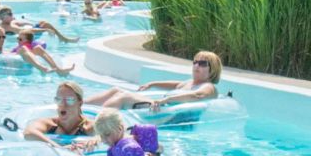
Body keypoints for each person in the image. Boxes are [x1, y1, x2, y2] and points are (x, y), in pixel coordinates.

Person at [84, 51, 221, 113]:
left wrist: (166, 99)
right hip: (163, 107)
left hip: (166, 111)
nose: (196, 66)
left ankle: (99, 120)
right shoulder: (189, 83)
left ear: (212, 69)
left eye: (202, 63)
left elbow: (196, 96)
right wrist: (153, 83)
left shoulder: (208, 86)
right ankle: (82, 106)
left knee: (124, 97)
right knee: (116, 90)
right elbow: (175, 85)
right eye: (195, 62)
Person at [70, 108, 160, 156]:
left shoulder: (126, 147)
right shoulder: (119, 140)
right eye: (101, 136)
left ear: (120, 129)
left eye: (107, 135)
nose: (104, 140)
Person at [23, 82, 95, 141]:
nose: (63, 105)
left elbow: (103, 136)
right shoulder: (49, 124)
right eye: (59, 100)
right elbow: (28, 133)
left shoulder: (89, 127)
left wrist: (95, 140)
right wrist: (58, 147)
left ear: (80, 103)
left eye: (69, 100)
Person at [0, 7, 79, 44]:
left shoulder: (6, 23)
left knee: (42, 22)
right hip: (28, 36)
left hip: (24, 33)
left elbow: (18, 22)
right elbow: (27, 31)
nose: (13, 15)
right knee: (45, 24)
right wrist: (45, 30)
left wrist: (28, 23)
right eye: (10, 14)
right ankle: (64, 39)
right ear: (4, 17)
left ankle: (62, 38)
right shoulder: (10, 27)